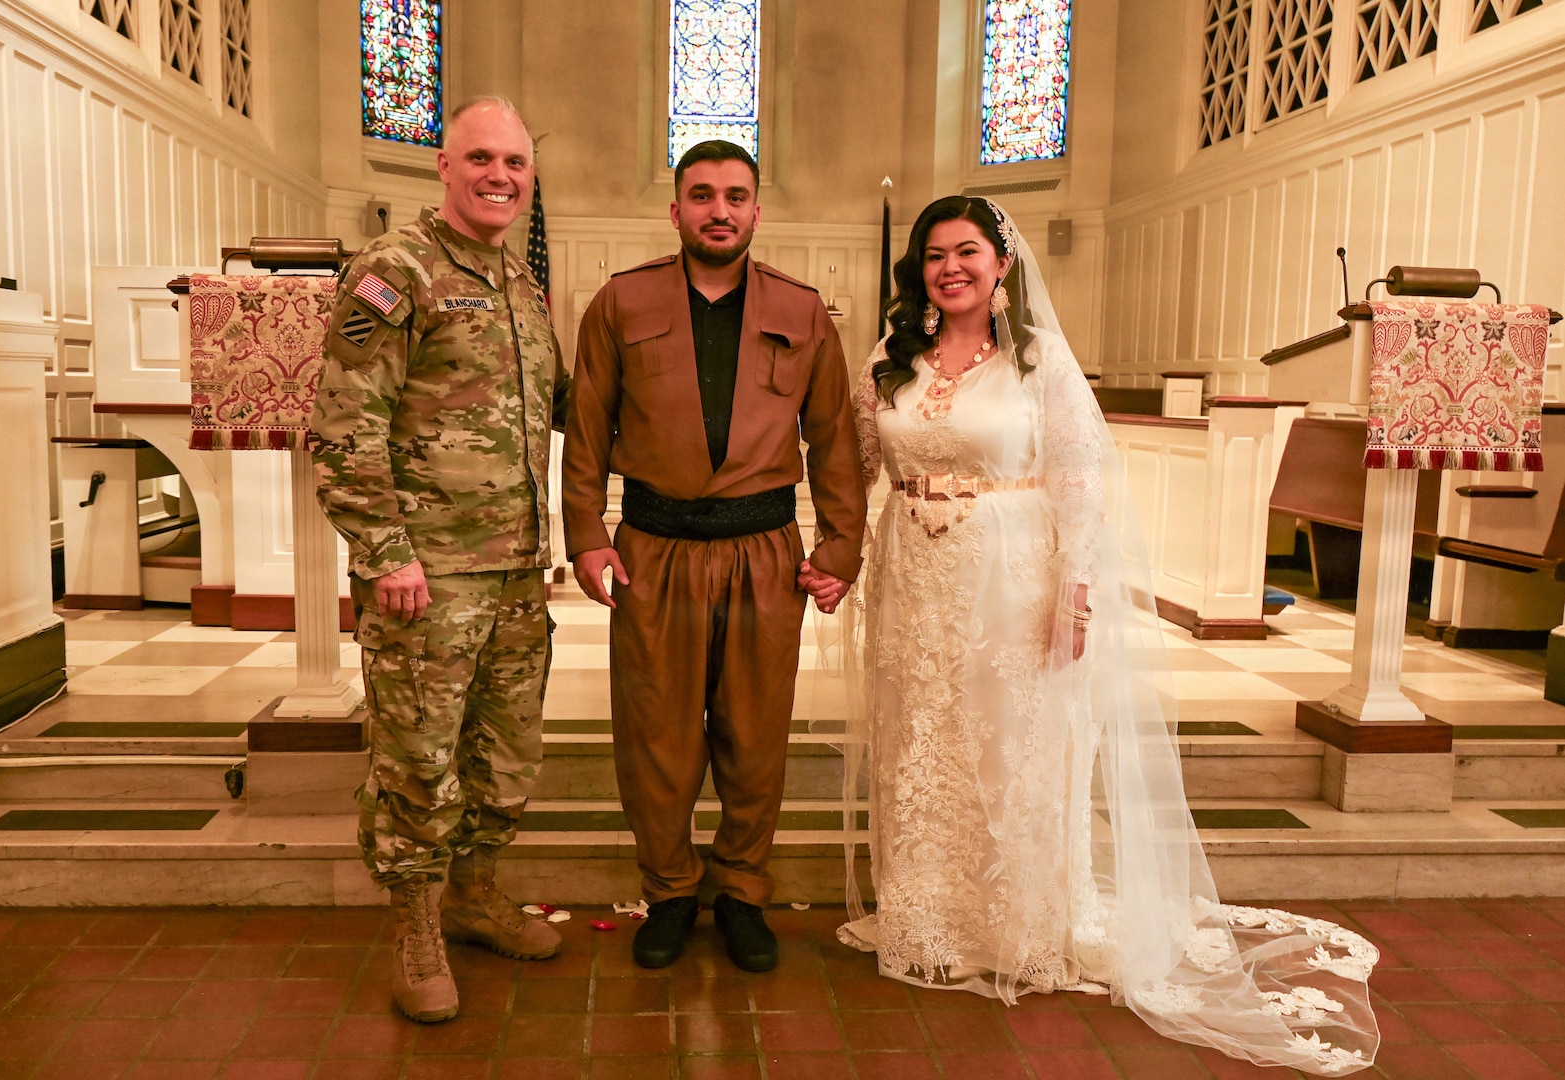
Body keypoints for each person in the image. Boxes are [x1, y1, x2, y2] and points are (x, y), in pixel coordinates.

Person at [836, 196, 1381, 1074]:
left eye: (967, 252)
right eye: (934, 255)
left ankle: (1017, 925)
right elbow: (859, 460)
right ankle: (925, 914)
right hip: (913, 575)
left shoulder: (1039, 362)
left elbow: (1080, 479)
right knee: (919, 743)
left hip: (1012, 575)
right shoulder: (888, 360)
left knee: (1014, 744)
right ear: (917, 270)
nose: (950, 268)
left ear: (1002, 264)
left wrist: (1074, 590)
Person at [561, 140, 867, 973]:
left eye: (735, 195)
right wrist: (585, 534)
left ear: (757, 211)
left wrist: (841, 544)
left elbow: (835, 436)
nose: (718, 210)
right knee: (656, 736)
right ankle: (667, 890)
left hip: (764, 551)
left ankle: (739, 890)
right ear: (675, 210)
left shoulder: (802, 313)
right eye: (701, 195)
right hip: (652, 550)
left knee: (754, 735)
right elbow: (586, 427)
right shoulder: (620, 304)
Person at [309, 95, 568, 1024]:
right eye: (482, 158)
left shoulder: (522, 289)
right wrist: (386, 555)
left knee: (503, 758)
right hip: (426, 577)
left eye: (515, 163)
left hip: (514, 574)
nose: (501, 176)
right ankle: (416, 928)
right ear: (443, 167)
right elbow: (345, 423)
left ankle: (475, 897)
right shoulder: (395, 271)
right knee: (420, 760)